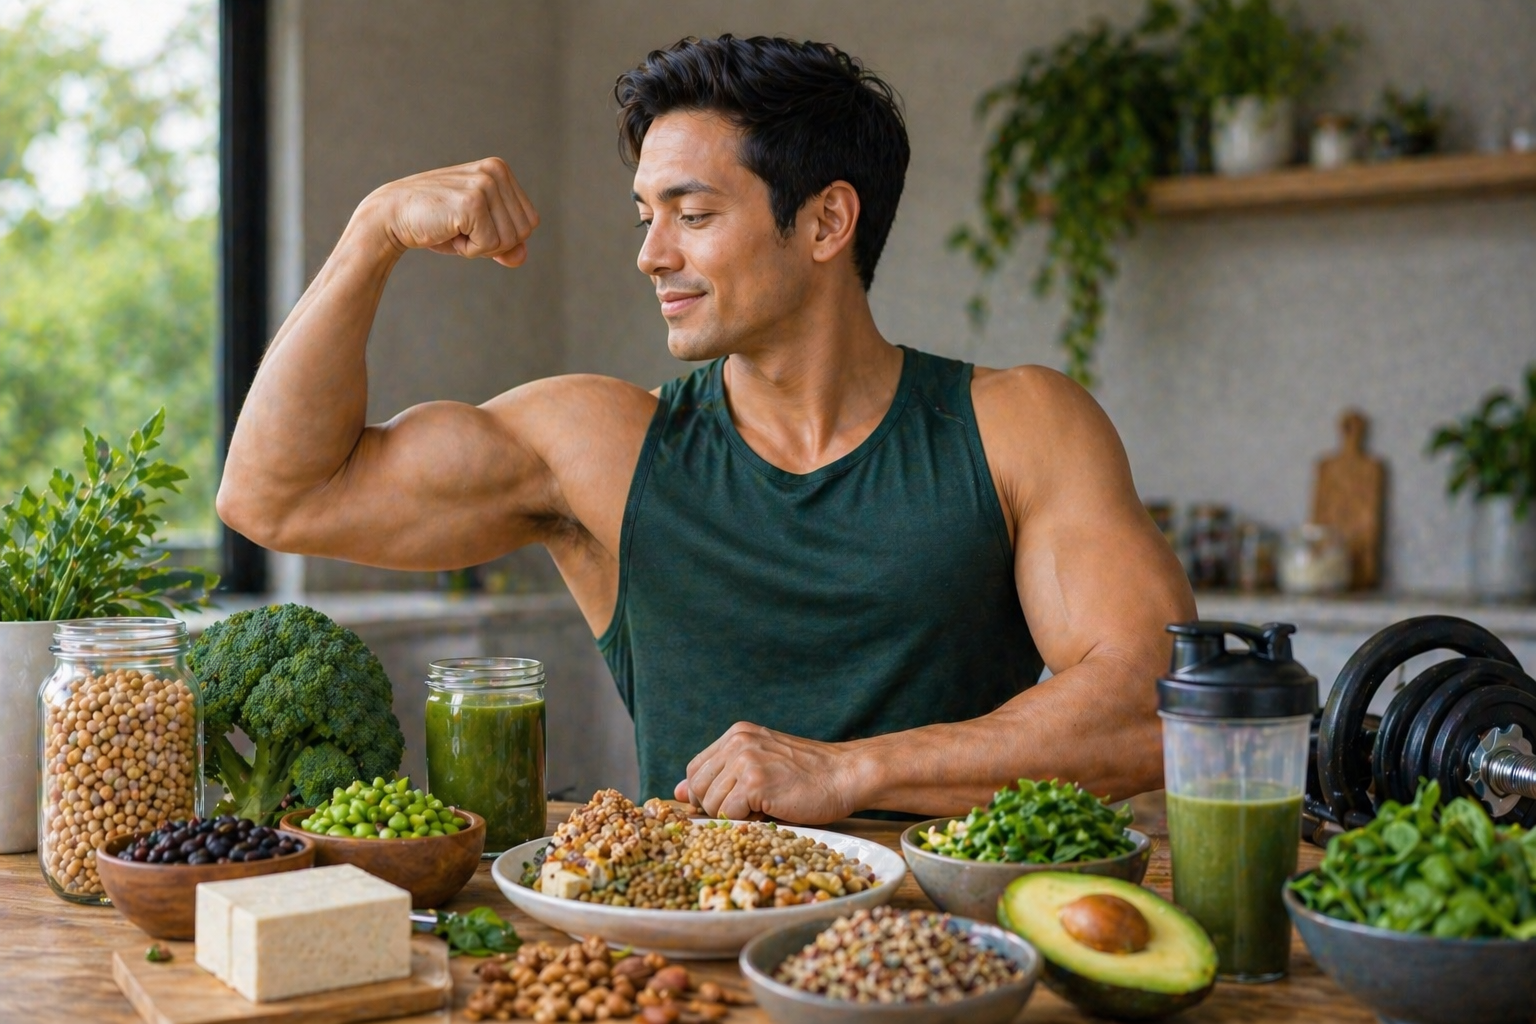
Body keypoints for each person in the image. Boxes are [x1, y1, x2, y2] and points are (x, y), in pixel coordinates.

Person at [218, 35, 1194, 825]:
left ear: (824, 224)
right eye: (646, 214)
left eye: (691, 213)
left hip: (952, 959)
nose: (650, 254)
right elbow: (276, 495)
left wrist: (846, 773)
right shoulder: (598, 445)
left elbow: (1157, 707)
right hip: (683, 965)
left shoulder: (1019, 425)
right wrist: (374, 229)